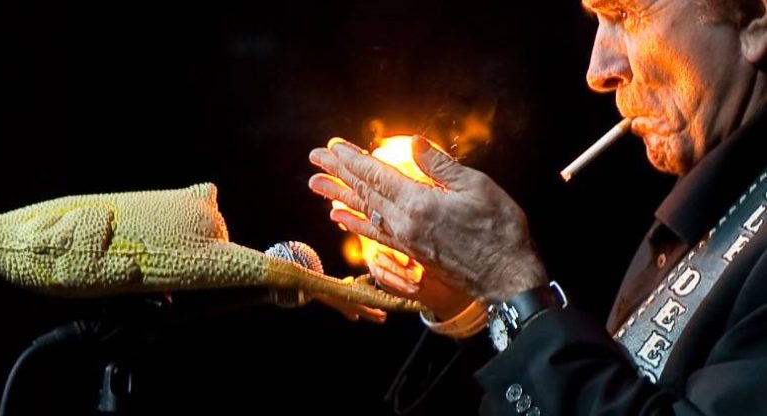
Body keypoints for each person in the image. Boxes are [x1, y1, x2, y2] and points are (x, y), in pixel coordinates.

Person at [308, 0, 767, 414]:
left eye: (626, 13)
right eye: (597, 20)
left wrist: (511, 282)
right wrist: (469, 296)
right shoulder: (717, 199)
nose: (598, 70)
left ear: (755, 20)